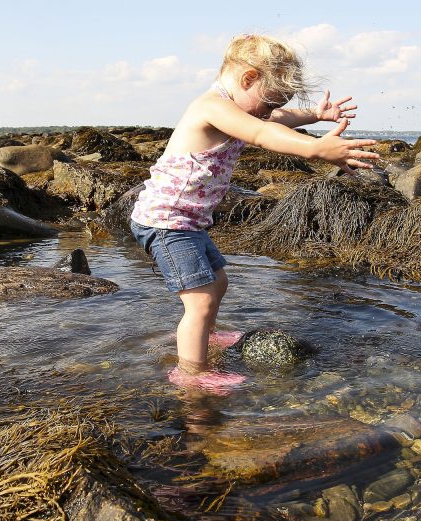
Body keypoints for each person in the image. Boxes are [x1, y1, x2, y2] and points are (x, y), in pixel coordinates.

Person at [130, 34, 379, 391]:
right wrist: (315, 149)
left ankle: (207, 337)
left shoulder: (240, 107)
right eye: (269, 101)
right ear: (247, 79)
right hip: (166, 221)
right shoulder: (212, 107)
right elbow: (263, 130)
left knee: (218, 282)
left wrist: (316, 115)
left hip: (188, 221)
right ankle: (191, 374)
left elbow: (276, 118)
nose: (270, 111)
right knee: (198, 300)